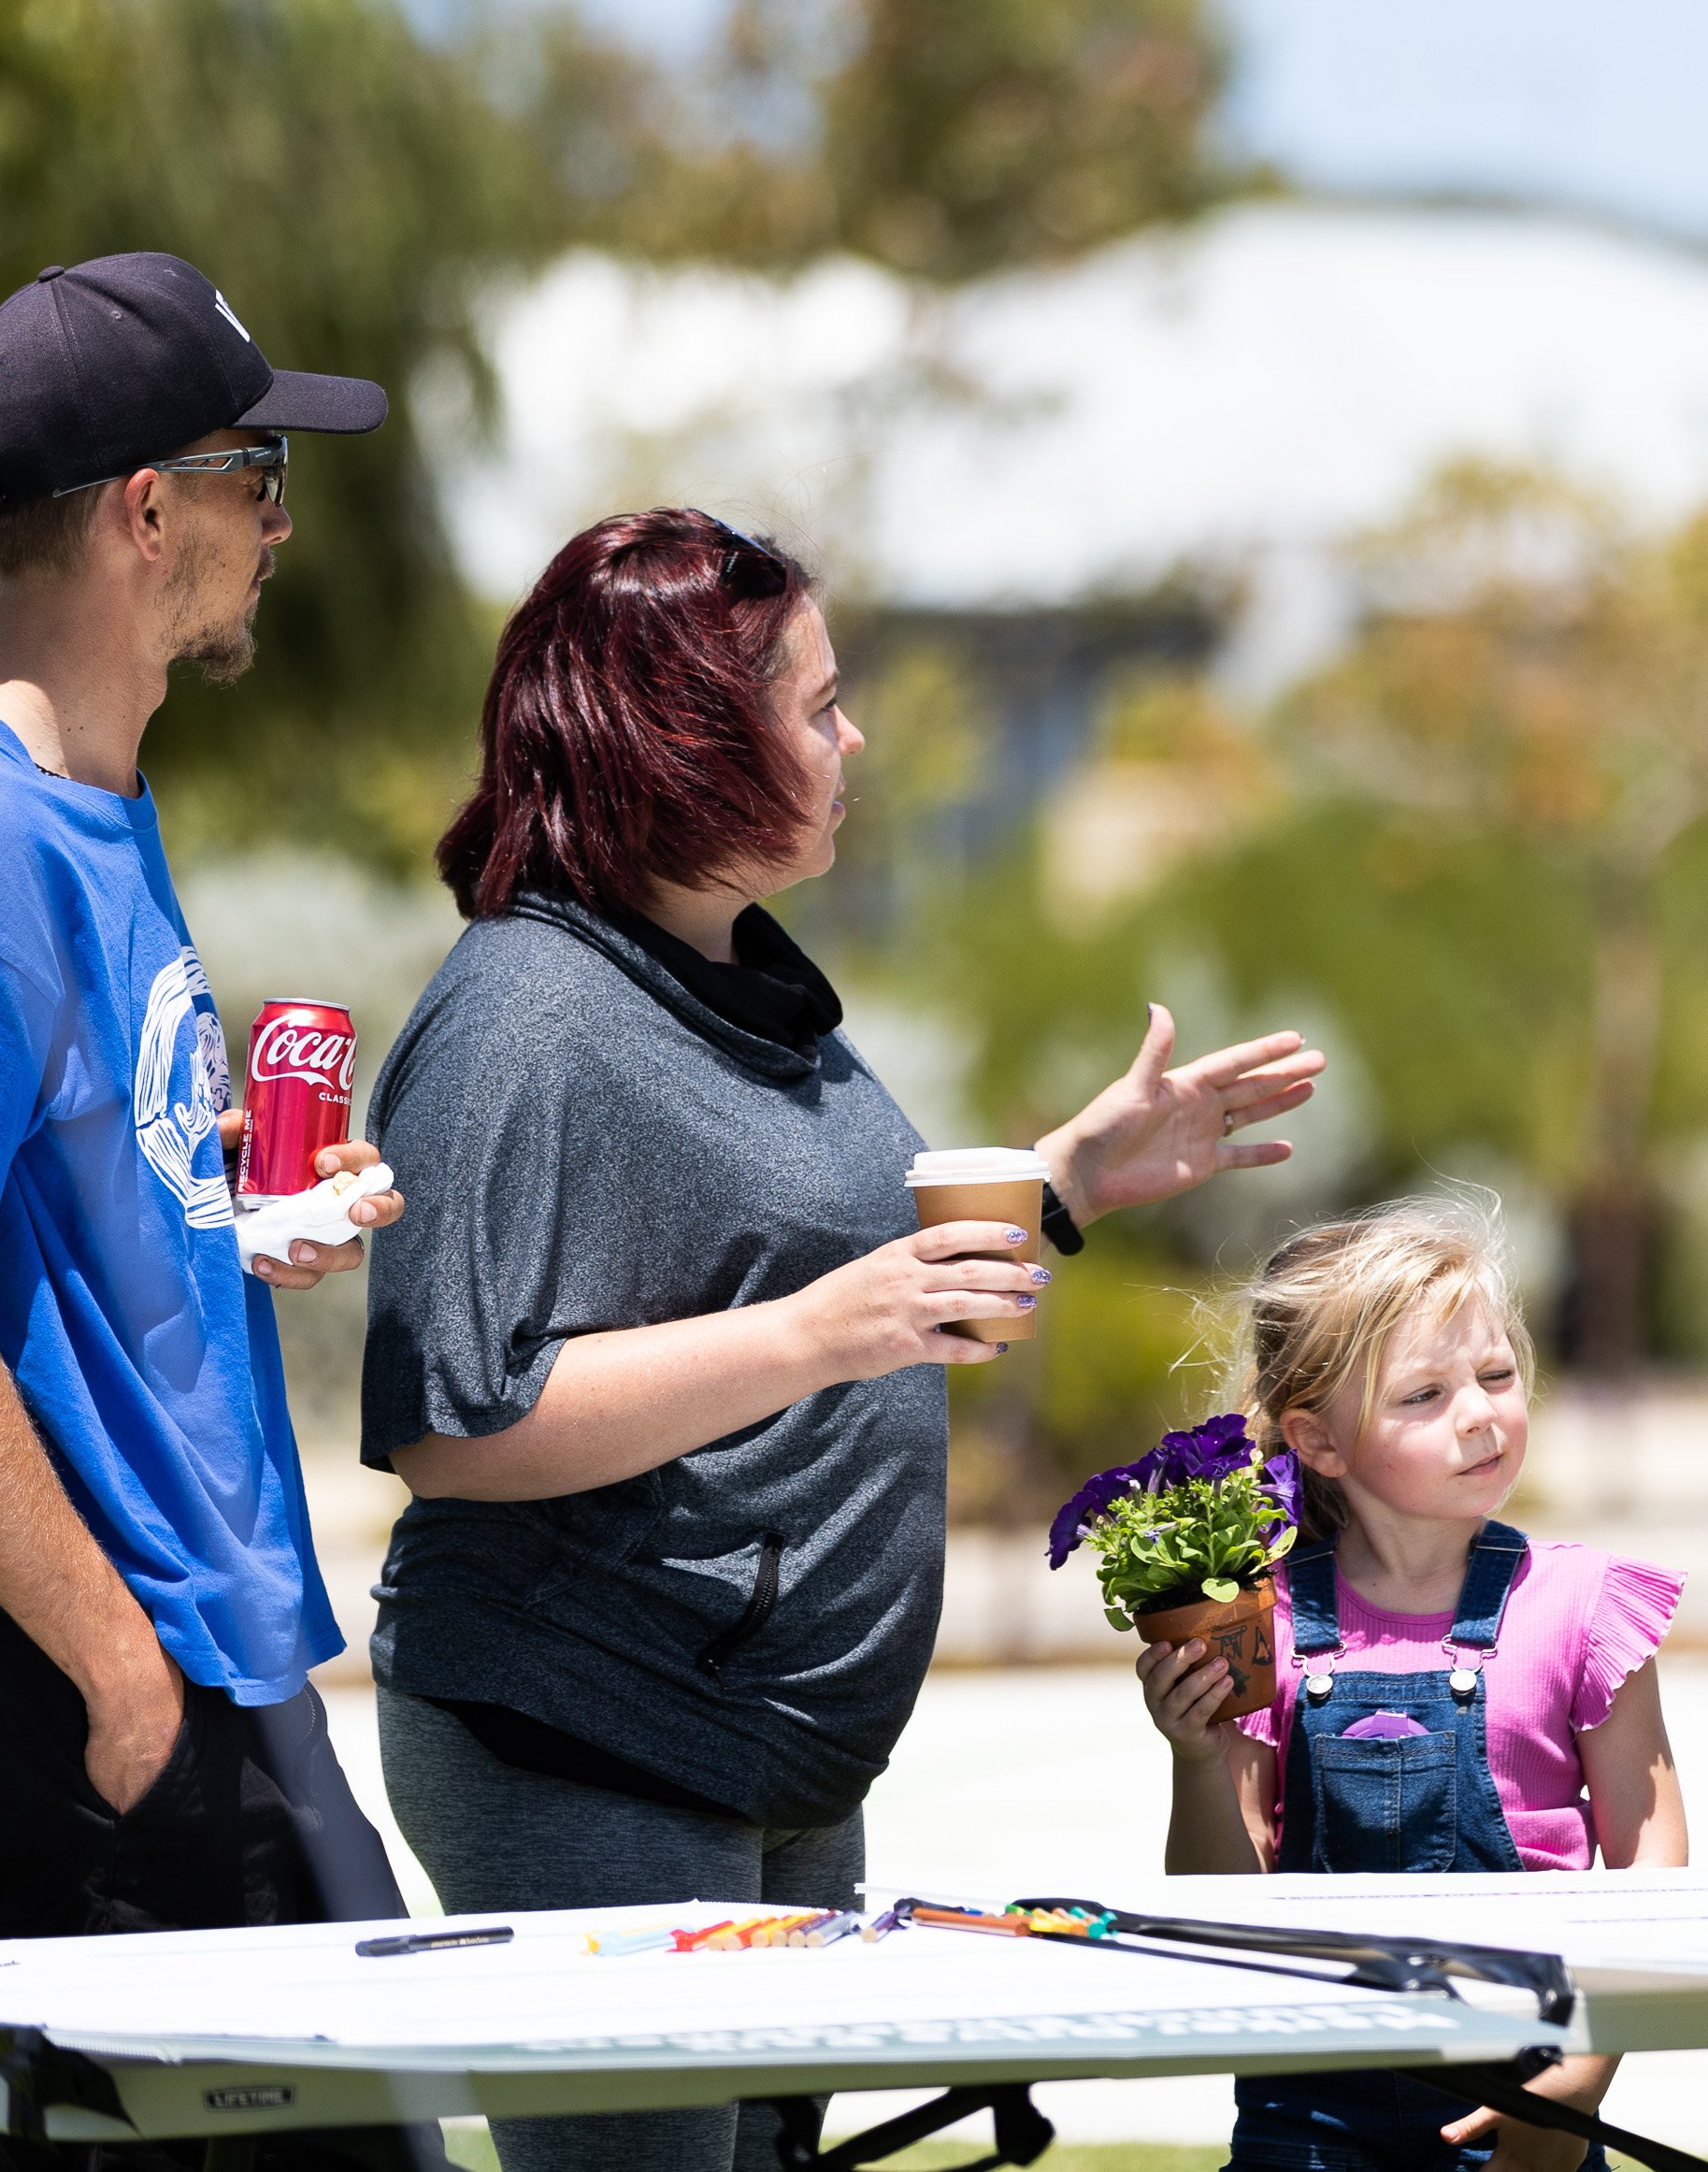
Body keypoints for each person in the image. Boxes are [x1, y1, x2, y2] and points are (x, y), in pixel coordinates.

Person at [358, 505, 1328, 2172]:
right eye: (815, 703)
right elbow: (458, 1424)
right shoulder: (524, 1011)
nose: (852, 736)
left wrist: (1066, 1180)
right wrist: (820, 1332)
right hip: (590, 1736)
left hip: (771, 1752)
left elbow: (809, 1264)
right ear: (684, 737)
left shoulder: (734, 976)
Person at [0, 255, 430, 2170]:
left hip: (199, 1641)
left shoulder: (91, 796)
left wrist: (226, 1208)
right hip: (93, 1656)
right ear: (150, 511)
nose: (280, 524)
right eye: (258, 475)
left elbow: (58, 1210)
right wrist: (117, 1674)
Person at [1141, 1200, 1687, 2172]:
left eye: (1496, 1375)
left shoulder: (1584, 1606)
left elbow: (1654, 1866)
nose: (1479, 1413)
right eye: (1423, 1394)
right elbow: (1221, 1902)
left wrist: (1583, 2072)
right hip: (1305, 2114)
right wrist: (1191, 1755)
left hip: (1528, 2094)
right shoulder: (1258, 1622)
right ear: (1319, 1441)